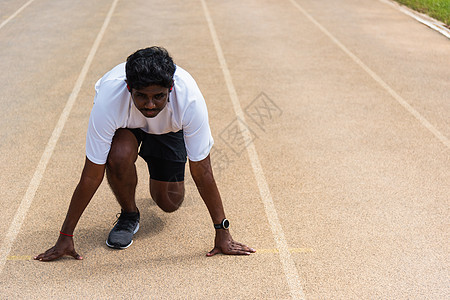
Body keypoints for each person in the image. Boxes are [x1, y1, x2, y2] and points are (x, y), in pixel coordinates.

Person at [34, 46, 255, 261]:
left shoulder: (189, 100)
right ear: (129, 88)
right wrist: (65, 236)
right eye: (141, 96)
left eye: (158, 96)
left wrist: (222, 231)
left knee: (169, 202)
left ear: (170, 89)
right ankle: (129, 215)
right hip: (127, 126)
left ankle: (161, 164)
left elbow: (203, 171)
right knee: (118, 156)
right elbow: (92, 175)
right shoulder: (109, 101)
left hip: (169, 128)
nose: (150, 105)